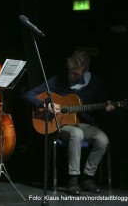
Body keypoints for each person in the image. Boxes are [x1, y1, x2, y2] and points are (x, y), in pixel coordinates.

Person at [23, 50, 115, 195]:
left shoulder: (96, 83)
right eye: (70, 72)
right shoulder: (58, 79)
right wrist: (44, 105)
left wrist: (108, 106)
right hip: (61, 125)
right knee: (76, 134)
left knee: (102, 139)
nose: (72, 76)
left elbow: (104, 104)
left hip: (83, 124)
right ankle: (73, 179)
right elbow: (29, 94)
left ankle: (87, 177)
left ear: (85, 70)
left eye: (76, 74)